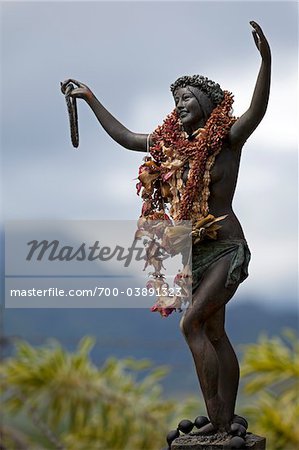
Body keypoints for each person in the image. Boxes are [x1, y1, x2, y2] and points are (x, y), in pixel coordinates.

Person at [61, 21, 271, 433]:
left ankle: (220, 419)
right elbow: (124, 136)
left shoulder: (228, 139)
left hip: (227, 247)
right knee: (213, 329)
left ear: (208, 105)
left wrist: (266, 61)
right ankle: (223, 421)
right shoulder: (170, 147)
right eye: (175, 101)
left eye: (186, 98)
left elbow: (257, 110)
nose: (178, 105)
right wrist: (90, 98)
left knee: (190, 323)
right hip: (193, 250)